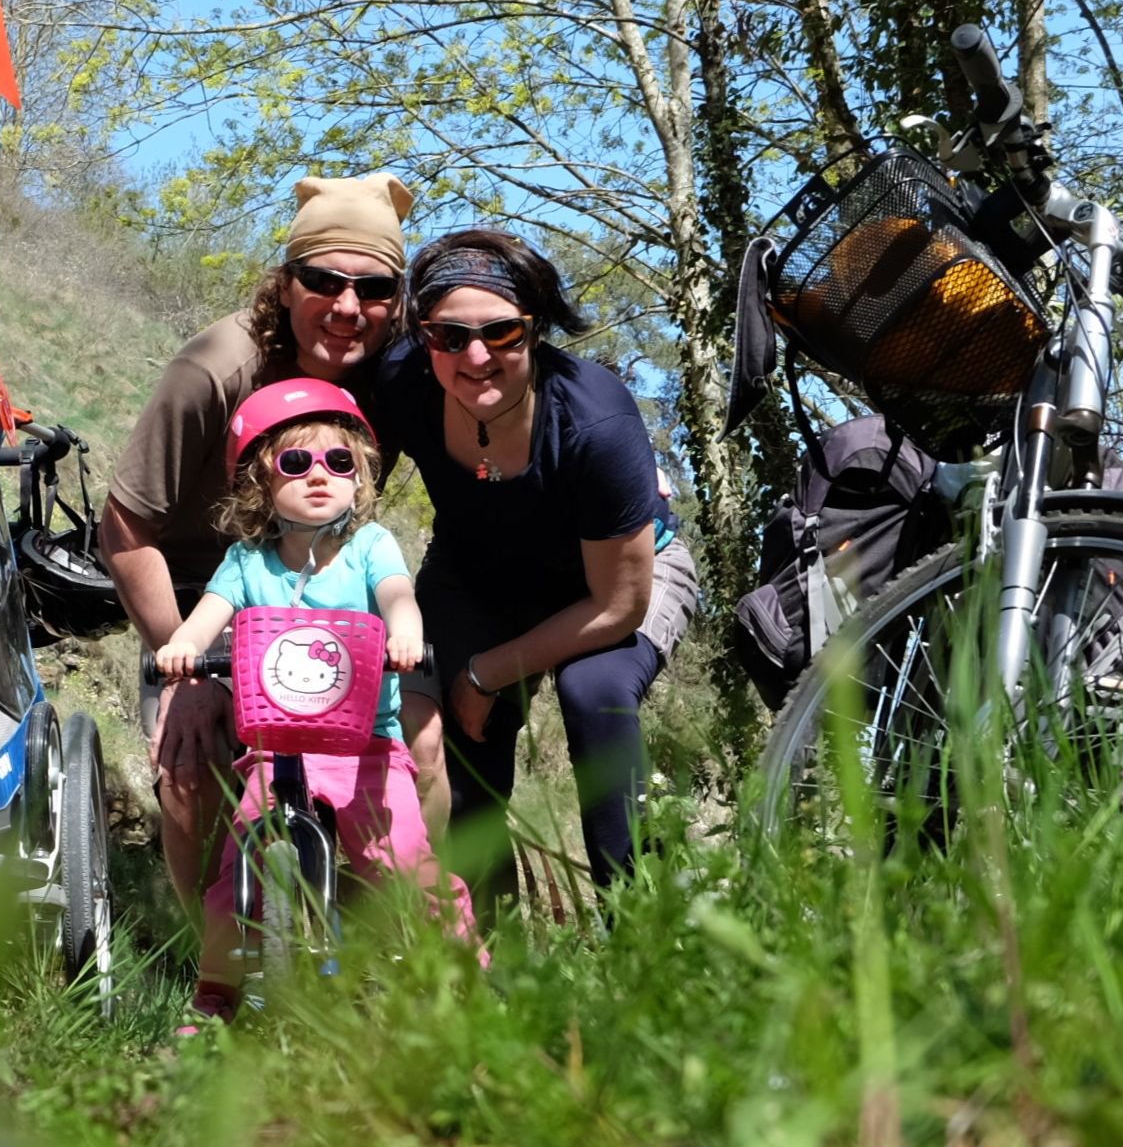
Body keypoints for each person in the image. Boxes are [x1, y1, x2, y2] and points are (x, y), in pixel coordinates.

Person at [101, 172, 442, 927]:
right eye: (325, 280)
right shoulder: (215, 368)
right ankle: (204, 952)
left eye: (376, 288)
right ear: (286, 284)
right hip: (208, 589)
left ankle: (397, 934)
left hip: (343, 591)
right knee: (192, 762)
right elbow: (124, 527)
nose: (349, 307)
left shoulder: (397, 374)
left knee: (424, 734)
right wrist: (185, 667)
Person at [374, 227, 697, 905]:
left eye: (504, 332)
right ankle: (485, 955)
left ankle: (643, 930)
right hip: (477, 574)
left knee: (594, 694)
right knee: (454, 738)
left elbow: (619, 607)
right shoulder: (404, 379)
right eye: (449, 336)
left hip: (620, 584)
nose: (477, 355)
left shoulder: (593, 423)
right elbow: (338, 476)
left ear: (535, 329)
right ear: (424, 334)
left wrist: (490, 670)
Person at [155, 379, 476, 1031]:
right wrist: (182, 647)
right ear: (260, 484)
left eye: (340, 462)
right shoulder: (247, 562)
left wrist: (406, 629)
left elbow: (395, 595)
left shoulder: (369, 547)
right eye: (295, 464)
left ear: (360, 478)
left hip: (368, 748)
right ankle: (216, 996)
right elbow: (207, 618)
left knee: (409, 866)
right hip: (275, 748)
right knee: (235, 875)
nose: (319, 476)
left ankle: (466, 980)